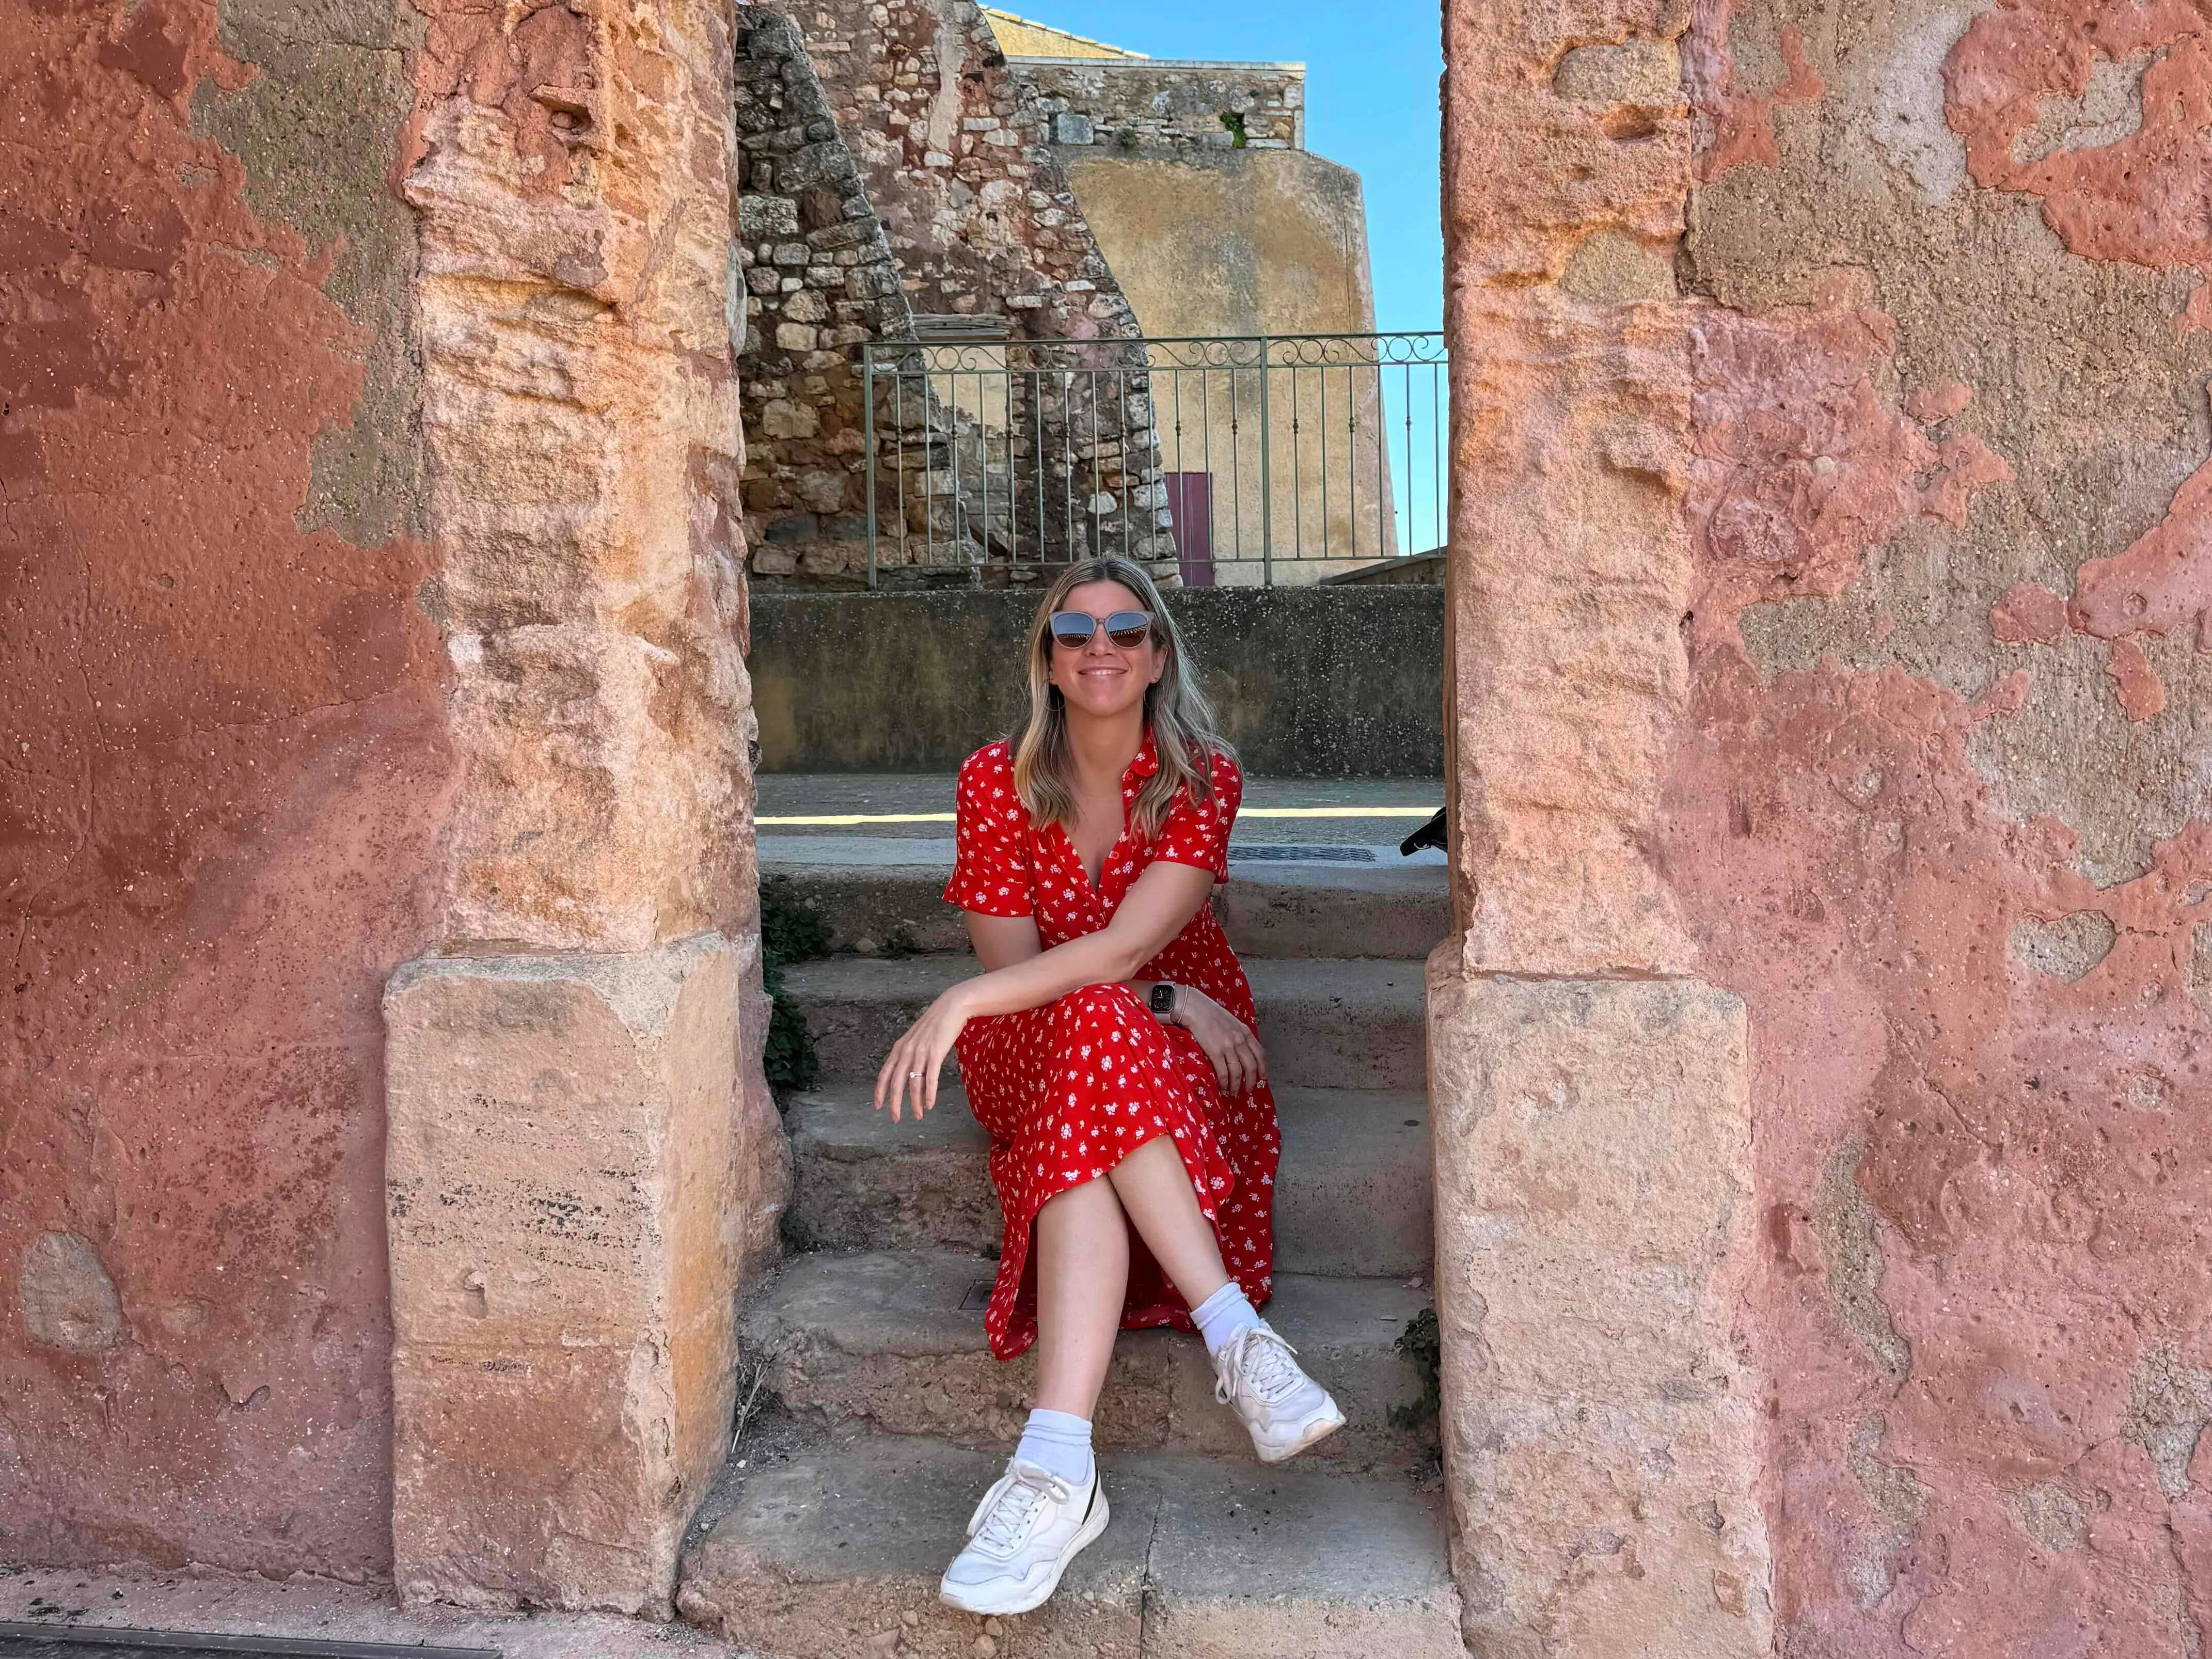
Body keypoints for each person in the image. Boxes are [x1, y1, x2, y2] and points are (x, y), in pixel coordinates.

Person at [873, 556, 1345, 1618]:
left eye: (1127, 630)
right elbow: (1018, 980)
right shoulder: (991, 780)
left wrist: (1153, 995)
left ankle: (1055, 1467)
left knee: (1092, 1075)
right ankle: (1241, 1339)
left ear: (1158, 654)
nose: (1102, 648)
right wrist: (997, 999)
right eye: (1075, 632)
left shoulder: (1205, 775)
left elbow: (1131, 943)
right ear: (1045, 658)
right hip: (1034, 1038)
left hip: (1180, 1053)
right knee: (1086, 1021)